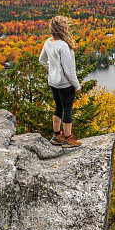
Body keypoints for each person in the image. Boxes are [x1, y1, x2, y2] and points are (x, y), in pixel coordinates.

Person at [39, 15, 82, 148]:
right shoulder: (63, 45)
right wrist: (77, 85)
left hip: (53, 82)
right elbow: (69, 70)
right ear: (63, 29)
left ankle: (57, 136)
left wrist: (54, 70)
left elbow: (42, 60)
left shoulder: (48, 42)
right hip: (65, 84)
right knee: (67, 109)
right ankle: (68, 139)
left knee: (58, 107)